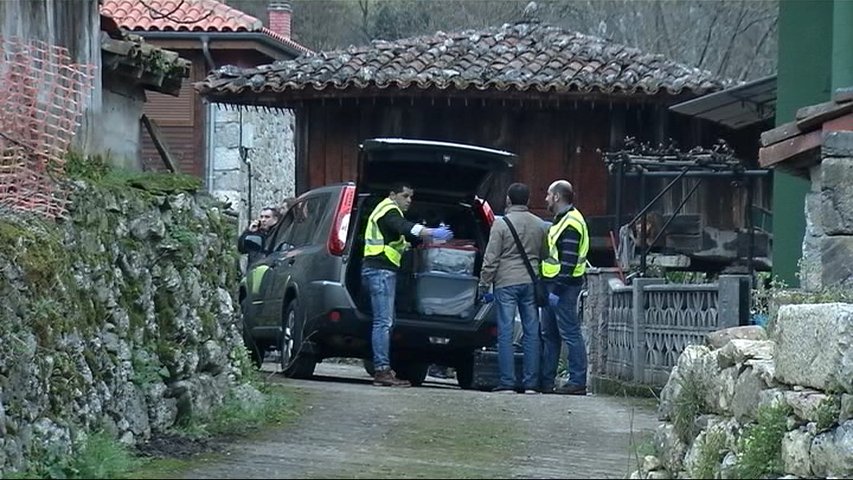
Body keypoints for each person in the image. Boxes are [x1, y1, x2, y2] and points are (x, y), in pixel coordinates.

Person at [362, 182, 454, 387]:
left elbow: (398, 238)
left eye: (411, 197)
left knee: (386, 321)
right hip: (380, 271)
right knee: (383, 322)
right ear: (392, 194)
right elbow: (403, 227)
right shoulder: (389, 210)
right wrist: (431, 232)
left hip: (380, 270)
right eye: (405, 196)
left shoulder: (387, 210)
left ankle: (382, 368)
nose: (409, 200)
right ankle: (382, 370)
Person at [478, 183, 546, 394]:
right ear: (527, 200)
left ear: (508, 199)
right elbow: (545, 254)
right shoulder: (540, 225)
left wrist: (483, 284)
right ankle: (531, 383)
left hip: (506, 282)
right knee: (532, 332)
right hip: (530, 282)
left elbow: (491, 258)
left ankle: (507, 382)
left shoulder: (500, 225)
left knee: (505, 332)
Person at [540, 180, 589, 395]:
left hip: (563, 288)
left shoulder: (570, 223)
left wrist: (557, 291)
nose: (546, 199)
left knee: (569, 333)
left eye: (549, 195)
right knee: (551, 335)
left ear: (557, 197)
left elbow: (568, 262)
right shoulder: (562, 220)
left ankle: (577, 380)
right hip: (556, 286)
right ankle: (546, 380)